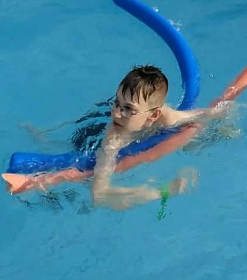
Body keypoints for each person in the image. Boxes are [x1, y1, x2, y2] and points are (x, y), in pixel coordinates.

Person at [91, 65, 212, 211]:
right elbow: (98, 195)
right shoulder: (114, 137)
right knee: (118, 204)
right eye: (117, 102)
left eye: (128, 108)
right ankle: (163, 191)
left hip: (153, 135)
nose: (115, 113)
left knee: (196, 137)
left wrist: (224, 115)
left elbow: (205, 115)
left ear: (153, 116)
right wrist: (148, 193)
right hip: (92, 135)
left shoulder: (168, 118)